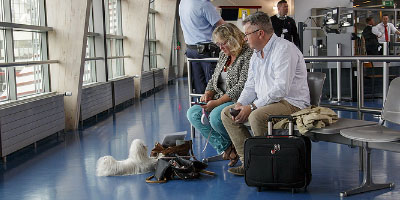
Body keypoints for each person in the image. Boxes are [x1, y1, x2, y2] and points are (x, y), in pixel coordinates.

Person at [221, 12, 310, 176]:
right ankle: (249, 163)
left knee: (257, 116)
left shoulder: (284, 49)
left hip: (291, 102)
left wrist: (252, 106)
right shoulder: (256, 55)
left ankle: (268, 166)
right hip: (269, 103)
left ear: (260, 33)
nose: (245, 39)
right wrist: (240, 104)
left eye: (246, 34)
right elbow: (250, 85)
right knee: (227, 113)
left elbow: (281, 89)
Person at [187, 23, 253, 167]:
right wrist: (208, 92)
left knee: (217, 117)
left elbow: (241, 86)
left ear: (232, 40)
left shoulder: (248, 54)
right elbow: (213, 78)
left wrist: (216, 103)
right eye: (218, 45)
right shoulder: (224, 54)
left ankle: (234, 147)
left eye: (223, 44)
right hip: (219, 97)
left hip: (237, 99)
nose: (220, 48)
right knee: (193, 113)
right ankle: (228, 147)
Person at [179, 0, 225, 94]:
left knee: (199, 87)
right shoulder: (204, 4)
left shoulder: (183, 2)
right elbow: (223, 26)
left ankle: (202, 107)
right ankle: (212, 107)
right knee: (212, 87)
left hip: (191, 51)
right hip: (207, 52)